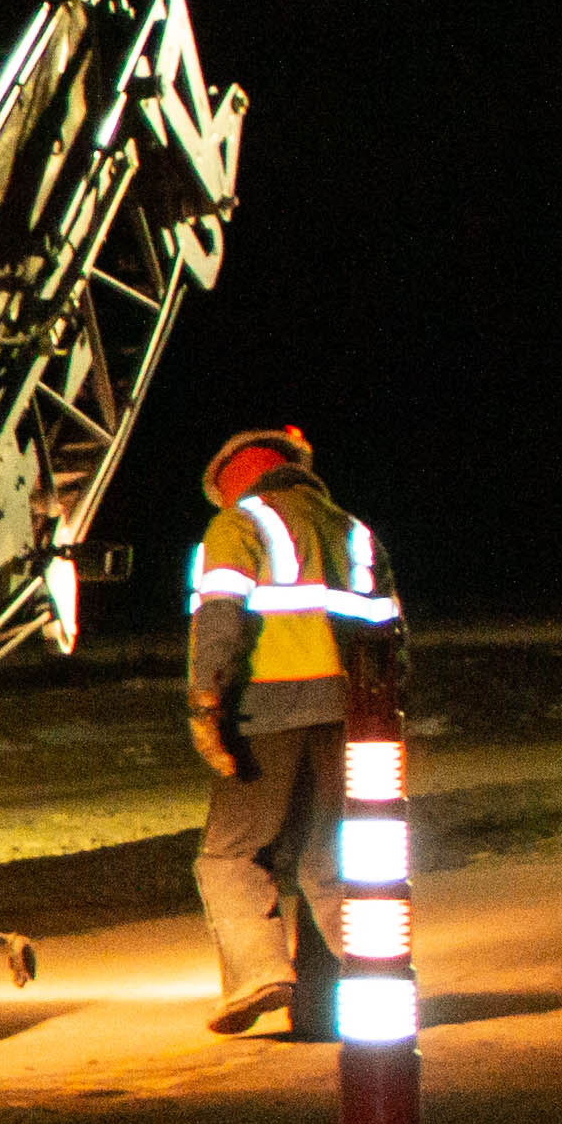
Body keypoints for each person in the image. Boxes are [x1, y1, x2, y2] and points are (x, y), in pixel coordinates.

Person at [187, 424, 401, 1035]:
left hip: (268, 707)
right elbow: (390, 632)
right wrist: (383, 709)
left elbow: (221, 617)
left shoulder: (241, 523)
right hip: (351, 710)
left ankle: (259, 974)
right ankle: (373, 976)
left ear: (233, 480)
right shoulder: (353, 529)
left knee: (227, 855)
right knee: (327, 858)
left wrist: (207, 704)